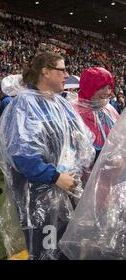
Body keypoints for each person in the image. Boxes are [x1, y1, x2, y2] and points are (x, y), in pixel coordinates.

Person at [0, 52, 95, 260]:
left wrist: (74, 171)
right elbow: (22, 154)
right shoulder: (24, 104)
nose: (67, 75)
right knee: (44, 251)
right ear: (45, 72)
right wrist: (55, 176)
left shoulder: (59, 103)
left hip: (66, 189)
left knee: (63, 249)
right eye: (62, 70)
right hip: (38, 194)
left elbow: (82, 142)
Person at [59, 111, 126, 259]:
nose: (108, 91)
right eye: (104, 87)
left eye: (110, 87)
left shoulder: (109, 111)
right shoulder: (78, 111)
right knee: (98, 231)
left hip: (114, 183)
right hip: (95, 182)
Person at [72, 67, 120, 161]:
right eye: (102, 87)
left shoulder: (109, 109)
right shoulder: (74, 113)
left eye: (109, 87)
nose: (108, 92)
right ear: (89, 87)